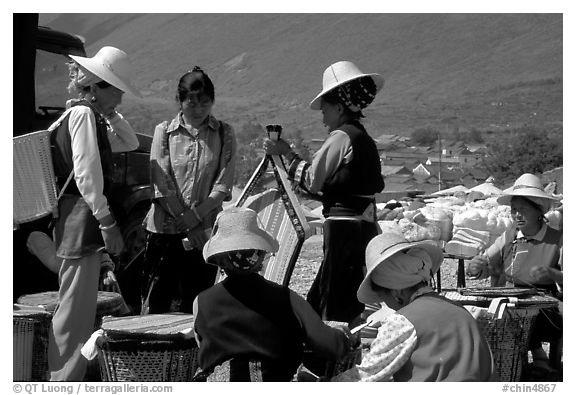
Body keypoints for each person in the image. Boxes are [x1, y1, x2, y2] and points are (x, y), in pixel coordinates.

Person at [264, 61, 385, 325]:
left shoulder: (342, 137)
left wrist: (286, 152)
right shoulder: (361, 137)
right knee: (338, 293)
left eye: (326, 110)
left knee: (335, 298)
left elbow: (313, 181)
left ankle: (330, 357)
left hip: (344, 232)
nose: (323, 118)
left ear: (339, 107)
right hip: (360, 229)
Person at [47, 46, 140, 381]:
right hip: (82, 222)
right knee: (74, 310)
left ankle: (67, 376)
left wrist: (110, 112)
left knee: (78, 306)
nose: (121, 97)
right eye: (116, 88)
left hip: (76, 221)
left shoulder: (86, 115)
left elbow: (128, 141)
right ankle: (62, 380)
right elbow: (87, 176)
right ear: (101, 85)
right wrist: (107, 222)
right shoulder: (84, 116)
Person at [192, 207, 354, 381]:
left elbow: (205, 346)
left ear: (219, 259)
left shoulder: (201, 302)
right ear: (260, 256)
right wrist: (344, 337)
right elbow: (329, 344)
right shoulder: (288, 299)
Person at [333, 232, 493, 381]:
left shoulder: (403, 322)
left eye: (382, 297)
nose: (385, 304)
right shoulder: (460, 311)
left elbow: (365, 376)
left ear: (396, 292)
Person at [141, 66, 237, 314]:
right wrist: (187, 222)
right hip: (165, 230)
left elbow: (223, 184)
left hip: (204, 233)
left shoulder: (224, 133)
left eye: (205, 103)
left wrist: (195, 218)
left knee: (198, 301)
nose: (198, 110)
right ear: (180, 102)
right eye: (191, 104)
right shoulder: (164, 132)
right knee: (159, 301)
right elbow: (161, 184)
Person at [467, 173, 563, 372]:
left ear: (539, 211)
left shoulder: (558, 240)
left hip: (544, 311)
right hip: (506, 303)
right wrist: (476, 267)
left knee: (523, 316)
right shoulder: (508, 237)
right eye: (514, 211)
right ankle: (502, 364)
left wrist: (552, 274)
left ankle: (532, 357)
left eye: (523, 210)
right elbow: (486, 265)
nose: (517, 216)